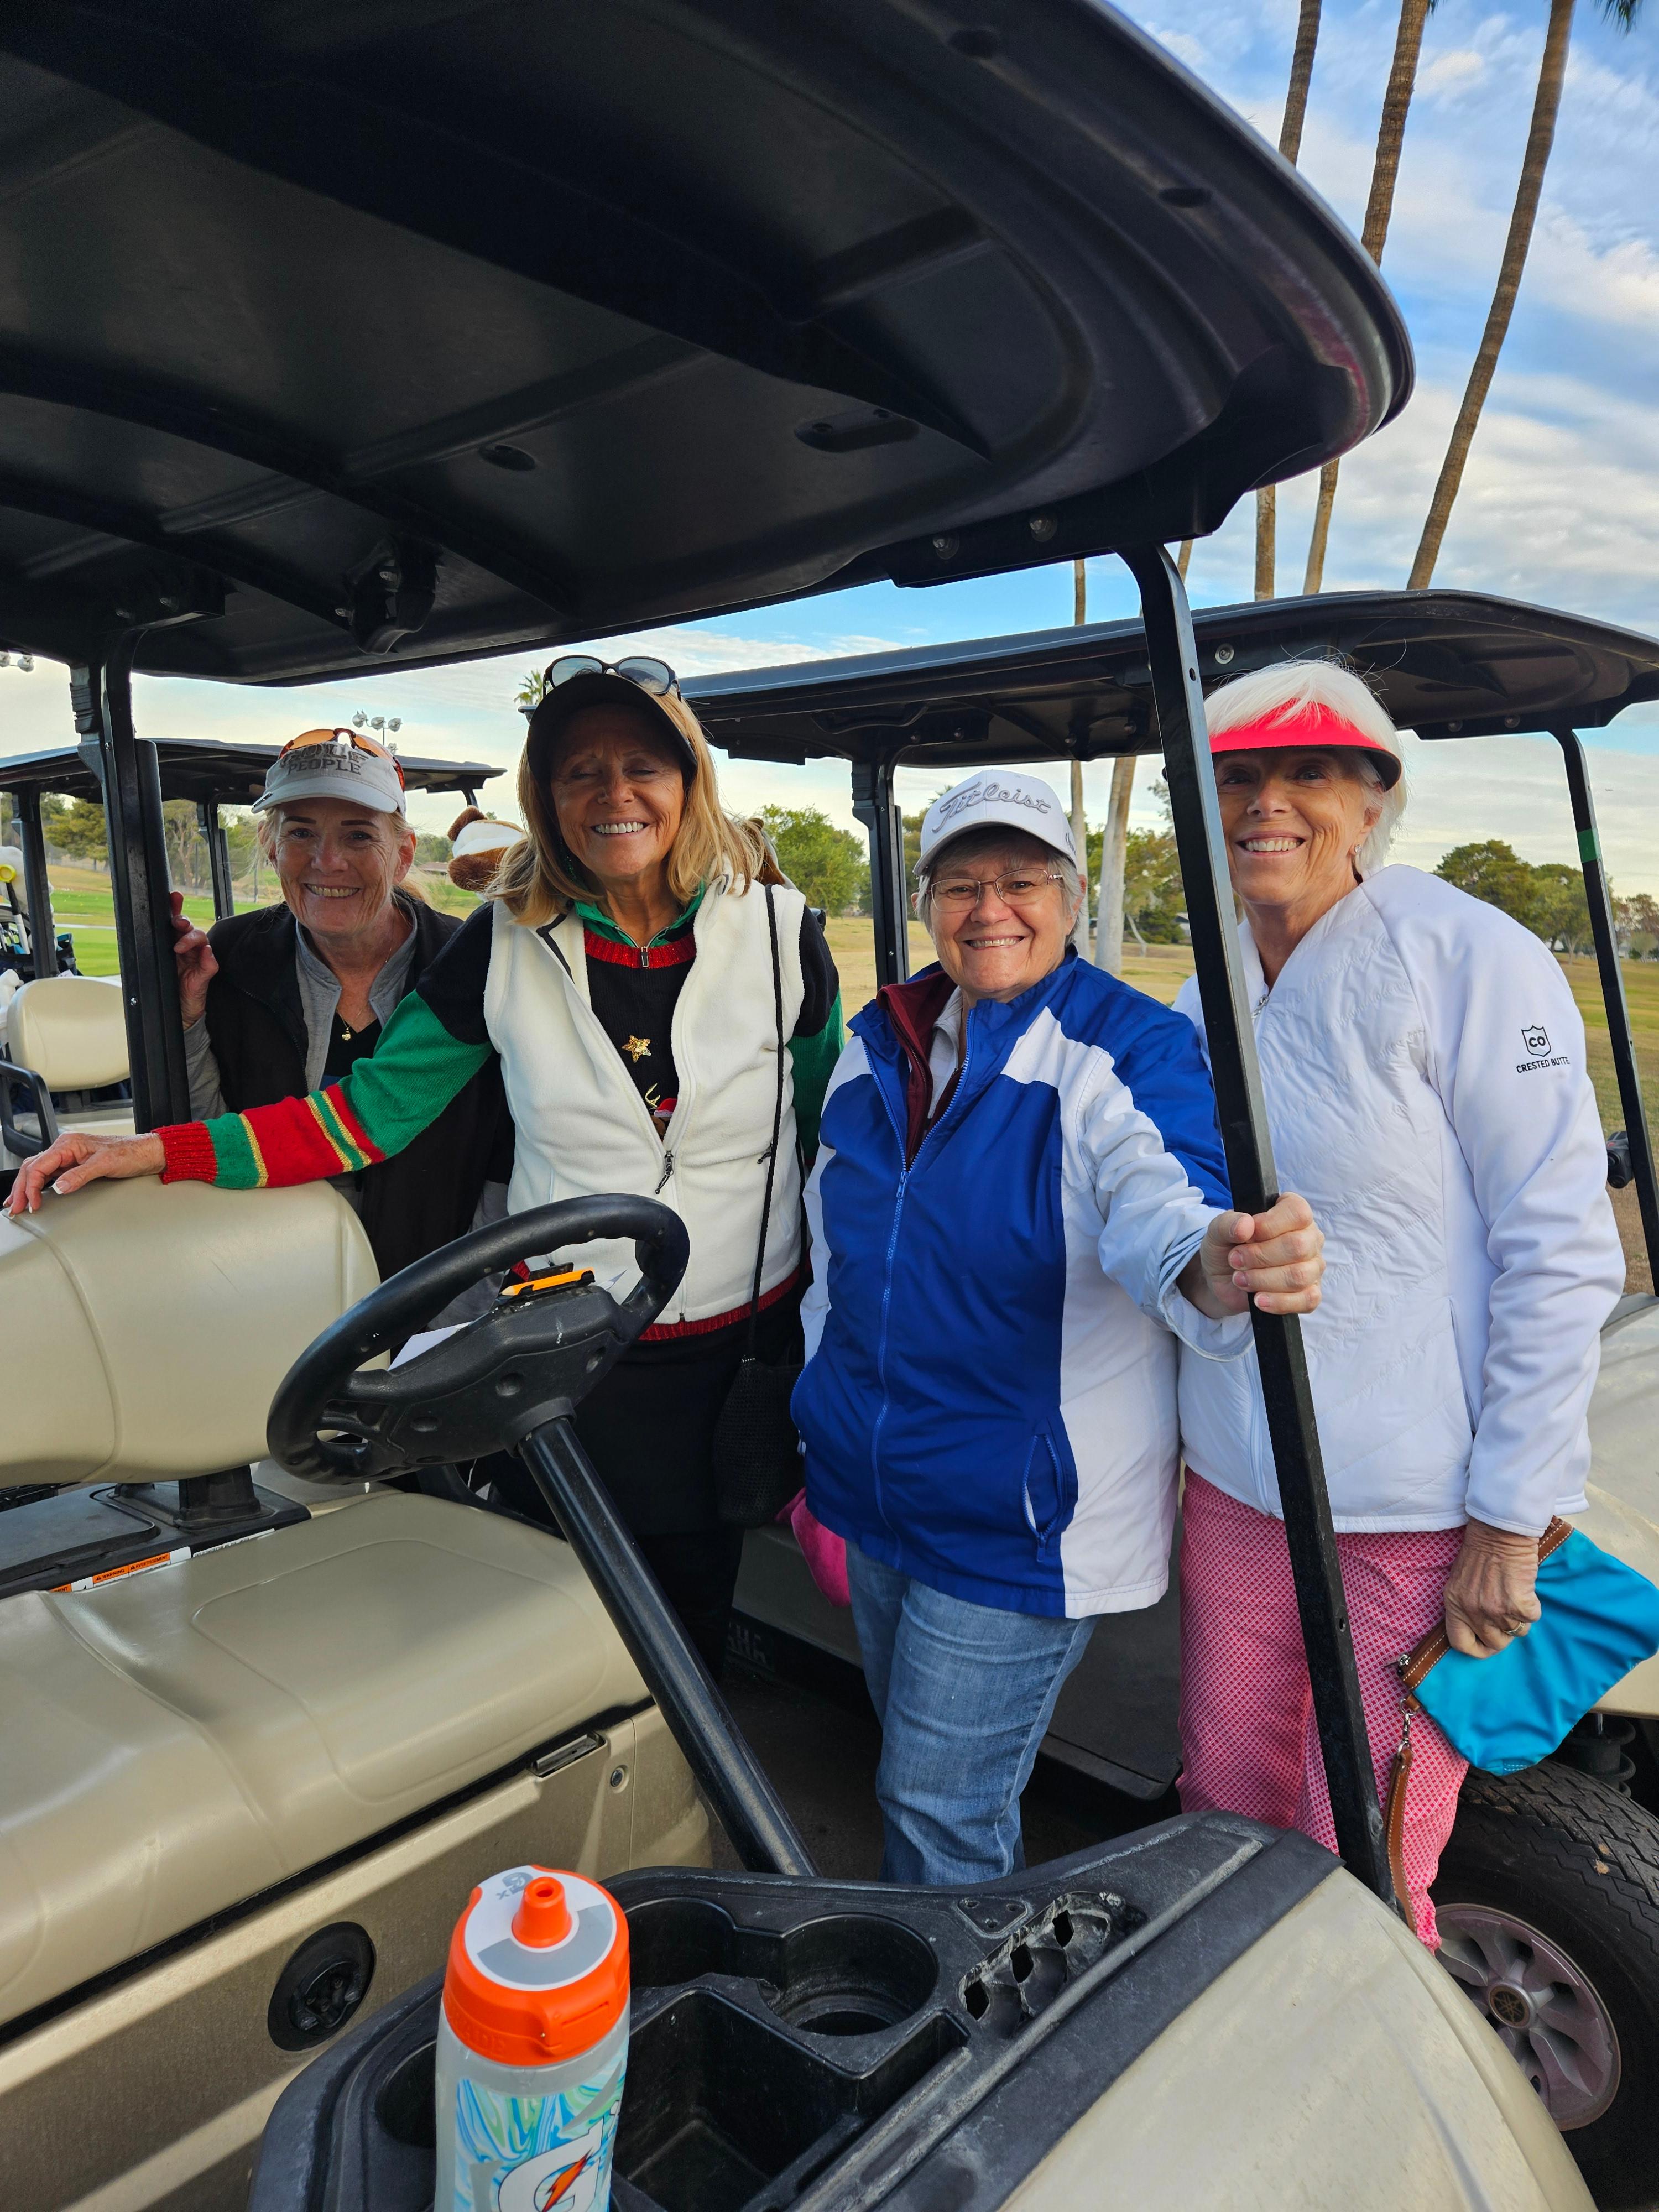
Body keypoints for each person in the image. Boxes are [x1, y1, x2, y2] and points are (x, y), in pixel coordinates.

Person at [10, 659, 843, 1676]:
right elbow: (368, 1116)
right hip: (570, 1340)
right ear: (547, 795)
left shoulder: (781, 931)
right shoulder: (503, 937)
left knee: (696, 1596)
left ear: (687, 785)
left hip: (738, 1342)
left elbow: (821, 1126)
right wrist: (150, 1148)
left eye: (641, 767)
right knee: (554, 1604)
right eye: (580, 771)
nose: (613, 794)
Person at [793, 768, 1326, 1885]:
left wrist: (1214, 1259)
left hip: (1019, 1518)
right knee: (911, 1769)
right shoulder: (879, 1035)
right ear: (928, 898)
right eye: (962, 882)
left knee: (937, 1806)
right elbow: (835, 1253)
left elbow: (1160, 1199)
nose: (991, 909)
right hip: (873, 1490)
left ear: (1074, 896)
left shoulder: (1124, 1046)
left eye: (1023, 879)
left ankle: (974, 2044)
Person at [1171, 659, 1625, 1945]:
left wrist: (1506, 1509)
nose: (1267, 804)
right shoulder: (1199, 979)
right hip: (1236, 1487)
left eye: (1306, 772)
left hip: (1412, 1513)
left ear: (1372, 799)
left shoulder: (1465, 955)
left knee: (1359, 1851)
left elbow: (1558, 1244)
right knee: (1220, 1793)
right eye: (1237, 778)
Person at [168, 726, 510, 1281]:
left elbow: (507, 1151)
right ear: (273, 847)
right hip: (268, 1273)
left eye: (357, 836)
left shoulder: (469, 961)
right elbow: (207, 1127)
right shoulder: (232, 956)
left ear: (401, 855)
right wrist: (185, 1020)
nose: (327, 861)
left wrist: (464, 1312)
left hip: (441, 1289)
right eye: (302, 833)